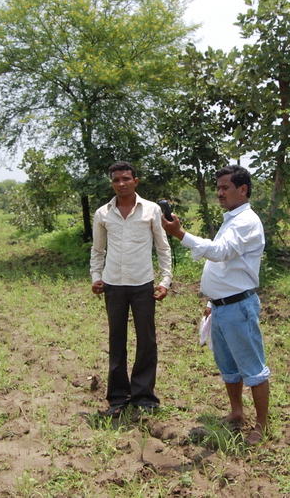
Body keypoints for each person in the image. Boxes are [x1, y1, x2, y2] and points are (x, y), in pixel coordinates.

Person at [161, 165, 270, 445]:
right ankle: (236, 414)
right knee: (229, 368)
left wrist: (181, 235)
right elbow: (225, 267)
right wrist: (212, 301)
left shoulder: (246, 221)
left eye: (225, 187)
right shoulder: (231, 219)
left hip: (239, 307)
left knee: (253, 369)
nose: (219, 193)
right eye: (218, 187)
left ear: (242, 189)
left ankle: (261, 425)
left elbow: (221, 253)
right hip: (222, 307)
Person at [90, 161, 172, 416]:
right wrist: (96, 276)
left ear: (136, 181)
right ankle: (117, 396)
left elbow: (162, 246)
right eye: (116, 180)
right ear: (111, 183)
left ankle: (144, 395)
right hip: (113, 284)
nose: (121, 184)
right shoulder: (103, 213)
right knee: (117, 339)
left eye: (126, 178)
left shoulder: (151, 210)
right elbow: (98, 249)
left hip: (142, 284)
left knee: (146, 340)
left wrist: (165, 279)